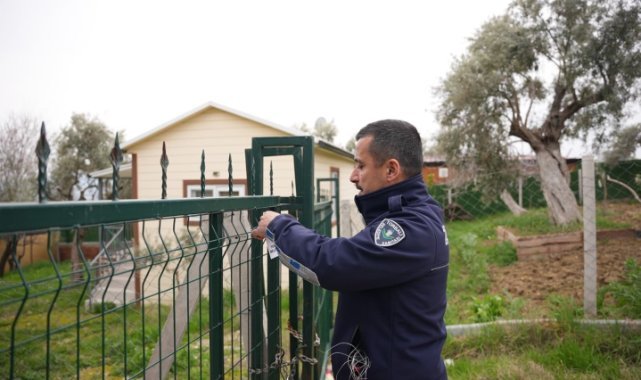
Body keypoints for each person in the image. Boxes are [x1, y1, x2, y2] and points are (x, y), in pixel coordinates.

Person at [252, 119, 449, 379]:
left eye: (361, 165)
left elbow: (335, 263)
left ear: (391, 170)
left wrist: (280, 226)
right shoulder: (416, 213)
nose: (353, 175)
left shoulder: (410, 229)